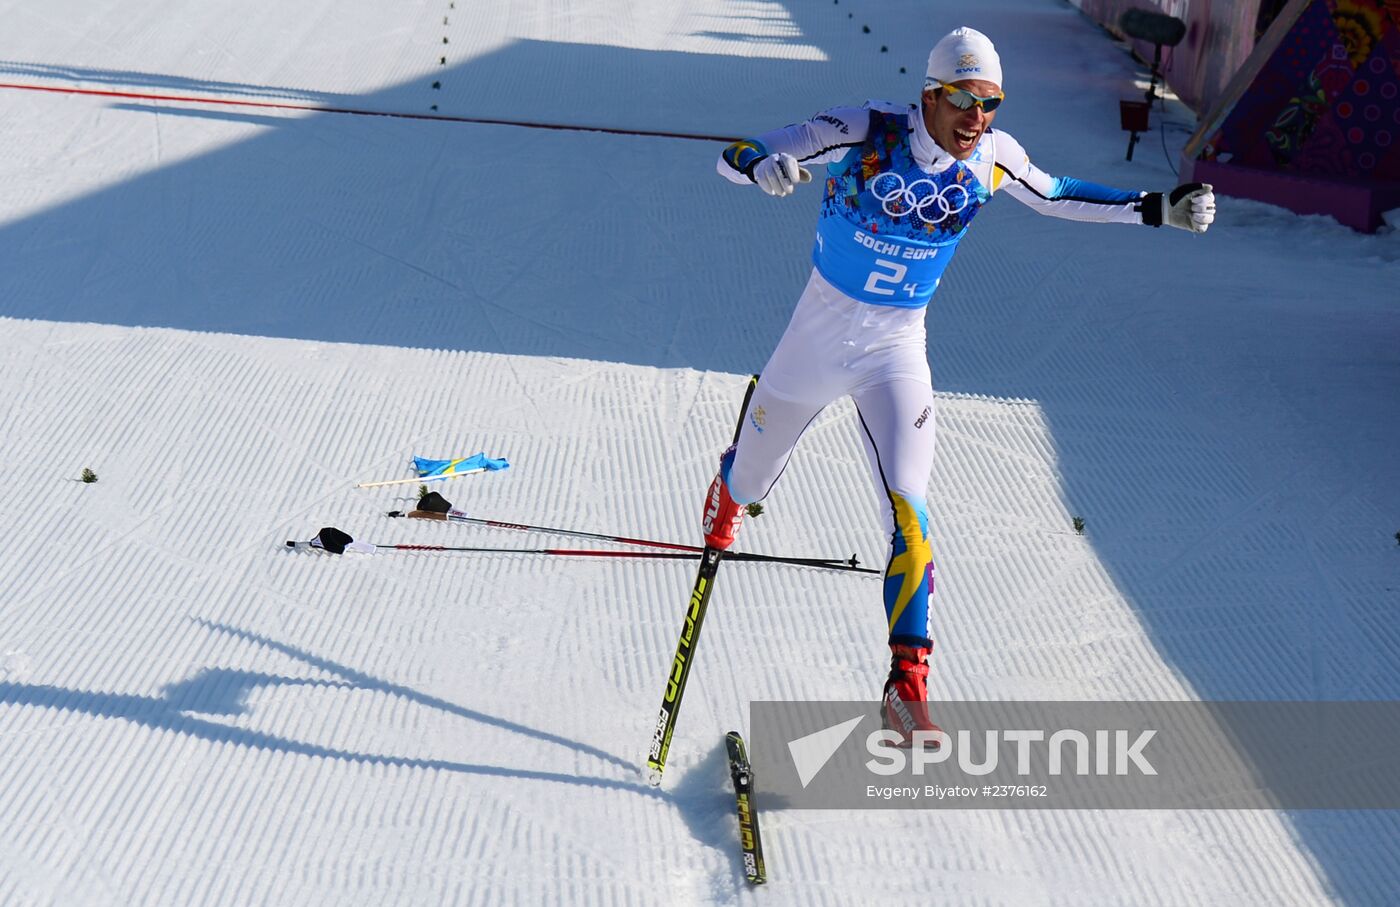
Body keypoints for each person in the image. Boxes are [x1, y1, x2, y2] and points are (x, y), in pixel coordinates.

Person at [698, 27, 1215, 743]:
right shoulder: (866, 129)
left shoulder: (994, 159)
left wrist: (1158, 205)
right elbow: (740, 151)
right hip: (811, 347)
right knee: (752, 485)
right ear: (930, 97)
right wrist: (762, 168)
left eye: (991, 103)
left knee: (910, 512)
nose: (978, 119)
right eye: (964, 101)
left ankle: (907, 683)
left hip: (894, 352)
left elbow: (1058, 194)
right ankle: (727, 490)